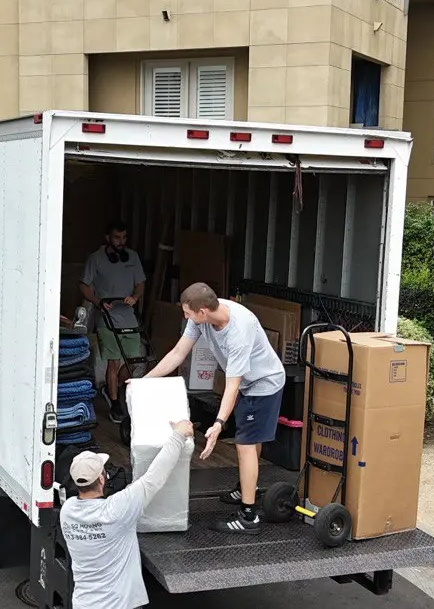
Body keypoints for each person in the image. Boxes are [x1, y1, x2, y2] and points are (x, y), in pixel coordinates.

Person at [142, 283, 285, 535]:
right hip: (246, 383)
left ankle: (248, 516)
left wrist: (217, 425)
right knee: (248, 437)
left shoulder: (238, 331)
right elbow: (178, 353)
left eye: (187, 313)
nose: (185, 317)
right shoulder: (201, 317)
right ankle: (246, 486)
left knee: (245, 443)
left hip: (264, 383)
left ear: (202, 312)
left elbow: (232, 386)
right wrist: (145, 381)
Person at [60, 420, 194, 609]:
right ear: (101, 478)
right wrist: (179, 435)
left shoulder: (67, 511)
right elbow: (155, 476)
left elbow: (120, 501)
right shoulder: (117, 510)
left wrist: (131, 493)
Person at [79, 220, 146, 424]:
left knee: (133, 361)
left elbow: (140, 283)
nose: (121, 241)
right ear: (107, 238)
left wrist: (135, 297)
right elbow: (84, 285)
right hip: (107, 318)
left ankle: (114, 388)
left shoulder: (132, 257)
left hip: (128, 317)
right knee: (113, 361)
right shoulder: (96, 259)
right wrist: (98, 302)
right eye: (117, 237)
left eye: (124, 237)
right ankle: (115, 402)